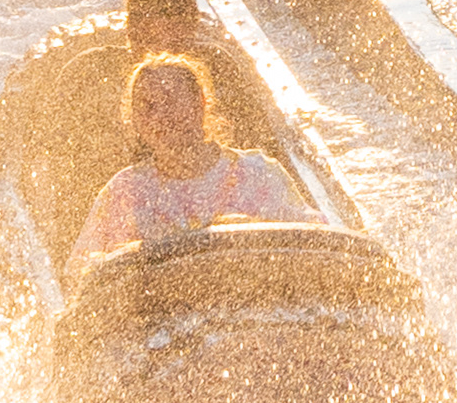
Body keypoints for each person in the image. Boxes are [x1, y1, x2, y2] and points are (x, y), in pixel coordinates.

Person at [0, 0, 290, 300]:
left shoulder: (227, 87)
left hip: (222, 242)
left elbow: (265, 156)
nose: (163, 112)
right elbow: (64, 199)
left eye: (176, 44)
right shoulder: (93, 88)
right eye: (147, 35)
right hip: (125, 239)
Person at [64, 51, 315, 277]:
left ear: (200, 104)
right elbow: (81, 275)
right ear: (135, 121)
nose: (160, 115)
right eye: (147, 107)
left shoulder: (257, 173)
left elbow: (316, 241)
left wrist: (252, 232)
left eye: (170, 101)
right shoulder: (125, 191)